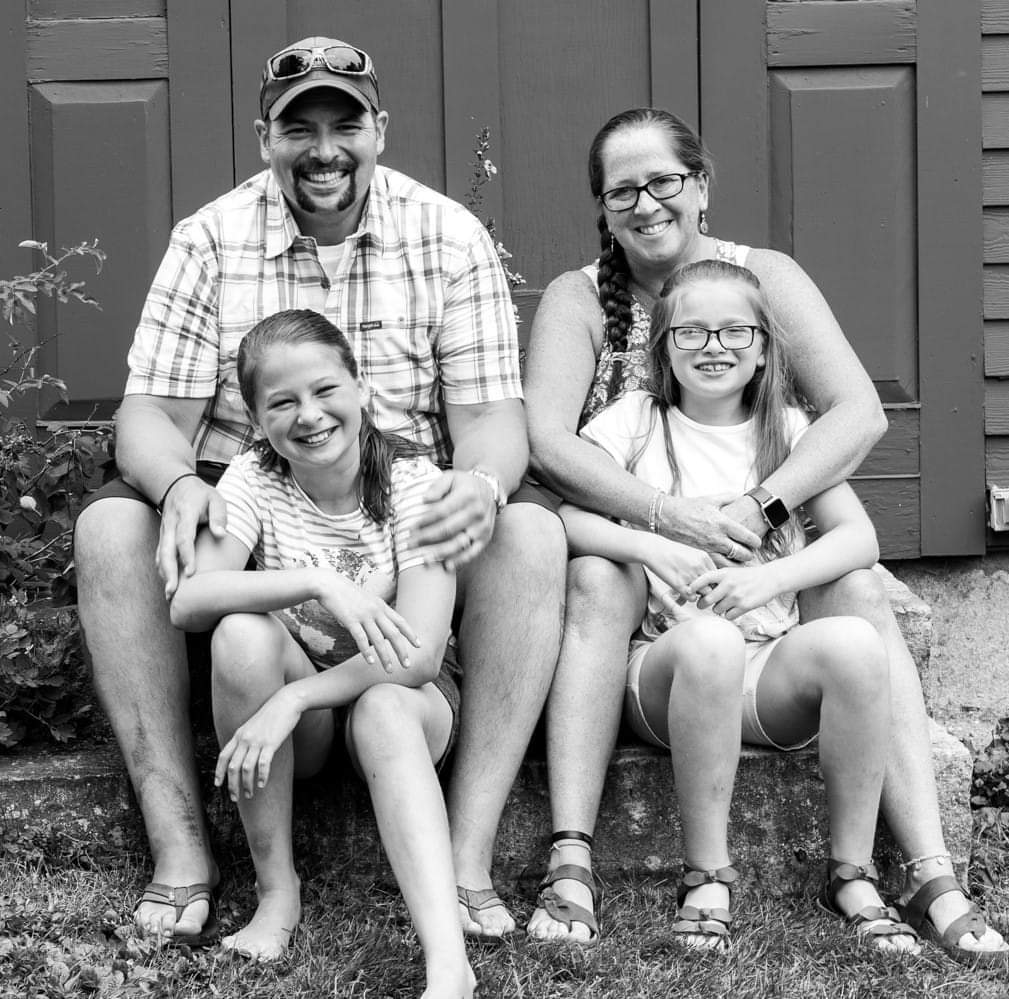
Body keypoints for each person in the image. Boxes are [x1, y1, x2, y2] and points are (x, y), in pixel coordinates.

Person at [73, 36, 564, 947]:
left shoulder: (446, 233)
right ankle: (180, 849)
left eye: (347, 125)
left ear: (381, 129)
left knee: (531, 533)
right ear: (266, 138)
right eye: (299, 128)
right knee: (108, 527)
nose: (325, 150)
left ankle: (466, 857)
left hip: (405, 494)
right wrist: (175, 483)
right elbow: (148, 414)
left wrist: (481, 484)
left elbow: (494, 415)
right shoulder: (210, 237)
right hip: (245, 489)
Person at [523, 107, 1007, 964]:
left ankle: (923, 870)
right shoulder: (584, 309)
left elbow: (856, 414)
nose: (645, 203)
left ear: (701, 186)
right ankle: (573, 853)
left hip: (764, 573)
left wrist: (761, 510)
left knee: (855, 594)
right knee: (599, 576)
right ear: (601, 207)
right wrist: (662, 521)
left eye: (663, 181)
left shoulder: (766, 289)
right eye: (622, 190)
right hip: (644, 584)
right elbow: (549, 447)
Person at [561, 258, 918, 951]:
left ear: (762, 350)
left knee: (854, 642)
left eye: (734, 331)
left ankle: (851, 872)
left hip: (766, 673)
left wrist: (767, 580)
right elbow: (568, 519)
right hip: (668, 671)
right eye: (690, 332)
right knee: (710, 640)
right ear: (663, 346)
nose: (713, 346)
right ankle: (706, 873)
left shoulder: (785, 429)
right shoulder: (633, 423)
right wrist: (652, 544)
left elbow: (859, 538)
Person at [166, 310, 472, 993]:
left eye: (325, 390)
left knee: (385, 706)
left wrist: (294, 698)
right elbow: (189, 601)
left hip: (404, 706)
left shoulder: (417, 485)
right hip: (306, 728)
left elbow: (420, 655)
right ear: (255, 419)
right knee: (240, 632)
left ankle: (449, 966)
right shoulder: (254, 477)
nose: (308, 415)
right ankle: (277, 892)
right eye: (281, 402)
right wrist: (317, 581)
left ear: (361, 387)